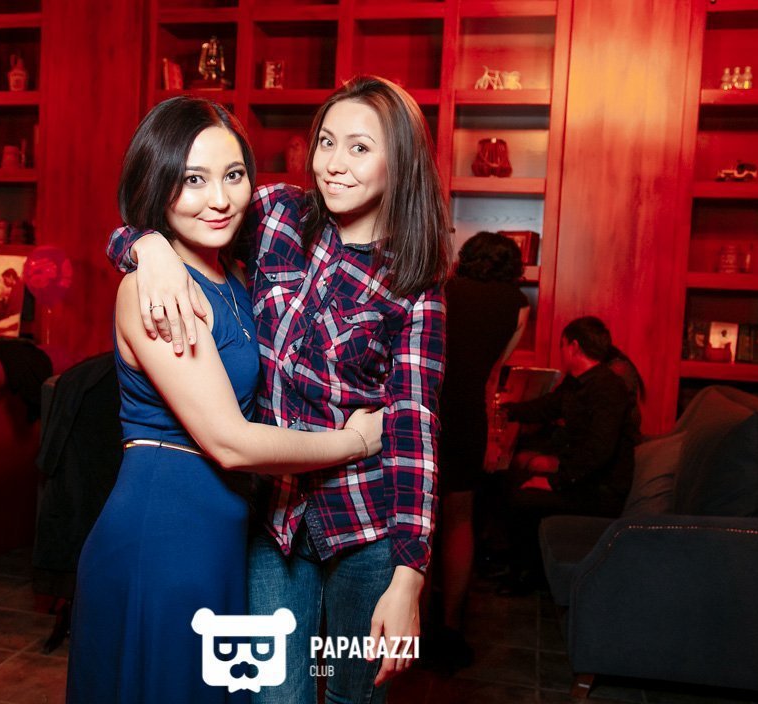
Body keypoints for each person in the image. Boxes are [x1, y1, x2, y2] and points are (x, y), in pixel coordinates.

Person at [106, 76, 451, 703]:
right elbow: (181, 206)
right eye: (326, 142)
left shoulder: (415, 283)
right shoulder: (279, 217)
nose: (334, 163)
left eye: (359, 147)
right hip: (274, 518)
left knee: (352, 695)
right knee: (270, 694)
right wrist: (144, 247)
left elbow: (414, 428)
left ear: (399, 160)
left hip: (365, 526)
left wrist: (409, 577)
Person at [426, 232, 529, 670]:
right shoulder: (519, 306)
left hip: (425, 407)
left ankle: (412, 625)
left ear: (466, 257)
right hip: (468, 417)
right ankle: (451, 628)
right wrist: (491, 438)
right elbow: (492, 377)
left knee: (419, 519)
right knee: (460, 518)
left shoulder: (440, 289)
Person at [498, 316, 641, 594]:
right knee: (514, 476)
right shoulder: (578, 383)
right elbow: (548, 406)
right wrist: (508, 410)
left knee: (522, 496)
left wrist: (556, 481)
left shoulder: (607, 388)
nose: (562, 352)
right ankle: (514, 563)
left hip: (601, 491)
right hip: (586, 480)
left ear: (573, 346)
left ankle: (529, 577)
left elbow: (599, 451)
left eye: (562, 346)